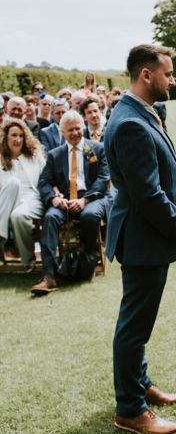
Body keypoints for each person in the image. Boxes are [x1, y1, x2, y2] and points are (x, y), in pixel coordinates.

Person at [105, 44, 176, 434]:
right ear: (146, 75)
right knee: (134, 325)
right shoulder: (129, 123)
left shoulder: (141, 113)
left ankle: (140, 384)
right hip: (144, 237)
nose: (173, 81)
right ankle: (130, 410)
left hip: (146, 236)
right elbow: (147, 195)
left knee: (139, 321)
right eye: (168, 74)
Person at [31, 110, 111, 295]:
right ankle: (49, 275)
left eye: (77, 128)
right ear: (63, 133)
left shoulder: (96, 149)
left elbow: (103, 178)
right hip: (65, 201)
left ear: (82, 127)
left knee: (90, 215)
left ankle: (88, 260)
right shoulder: (54, 154)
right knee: (50, 218)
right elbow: (44, 182)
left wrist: (84, 200)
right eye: (70, 130)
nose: (74, 133)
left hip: (92, 198)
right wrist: (54, 198)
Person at [0, 118, 46, 270]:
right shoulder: (0, 159)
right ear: (6, 137)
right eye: (14, 135)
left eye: (21, 135)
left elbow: (46, 178)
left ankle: (28, 259)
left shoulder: (34, 155)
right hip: (6, 200)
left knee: (18, 215)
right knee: (12, 184)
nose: (17, 139)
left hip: (32, 198)